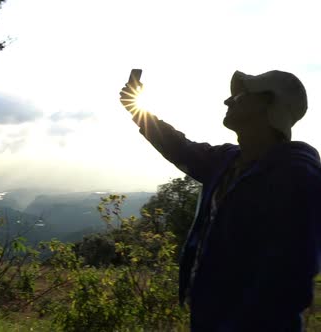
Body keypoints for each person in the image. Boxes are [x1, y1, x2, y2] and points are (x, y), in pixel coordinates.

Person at [120, 70, 321, 331]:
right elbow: (179, 147)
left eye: (241, 95)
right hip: (209, 319)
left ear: (271, 105)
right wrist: (137, 110)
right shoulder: (226, 161)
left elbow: (291, 277)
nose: (228, 101)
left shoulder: (298, 176)